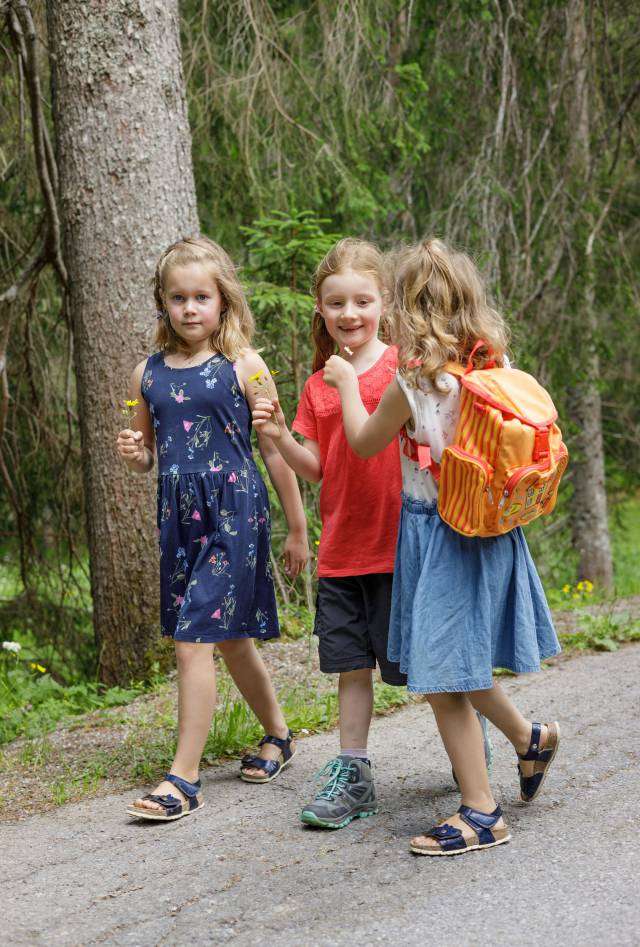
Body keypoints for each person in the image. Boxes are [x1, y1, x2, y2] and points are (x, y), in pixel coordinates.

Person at [322, 237, 561, 855]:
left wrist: (348, 382)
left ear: (404, 311)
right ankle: (530, 737)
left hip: (438, 535)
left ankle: (482, 813)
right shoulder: (496, 364)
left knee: (443, 676)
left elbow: (363, 441)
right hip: (492, 533)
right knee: (459, 662)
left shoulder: (412, 384)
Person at [116, 237, 309, 821]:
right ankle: (277, 734)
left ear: (223, 301)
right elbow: (147, 451)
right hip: (179, 516)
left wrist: (297, 529)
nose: (191, 308)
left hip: (234, 510)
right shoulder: (145, 374)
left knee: (192, 638)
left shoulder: (245, 365)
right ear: (163, 304)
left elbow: (274, 451)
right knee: (227, 637)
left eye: (202, 296)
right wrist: (135, 456)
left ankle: (183, 779)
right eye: (179, 298)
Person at [251, 238, 406, 829]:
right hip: (342, 550)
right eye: (337, 303)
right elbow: (316, 466)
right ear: (320, 309)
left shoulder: (400, 368)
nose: (350, 314)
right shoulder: (319, 385)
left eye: (362, 301)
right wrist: (279, 439)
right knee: (350, 667)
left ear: (383, 303)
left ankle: (468, 750)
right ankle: (354, 773)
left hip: (401, 545)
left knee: (424, 666)